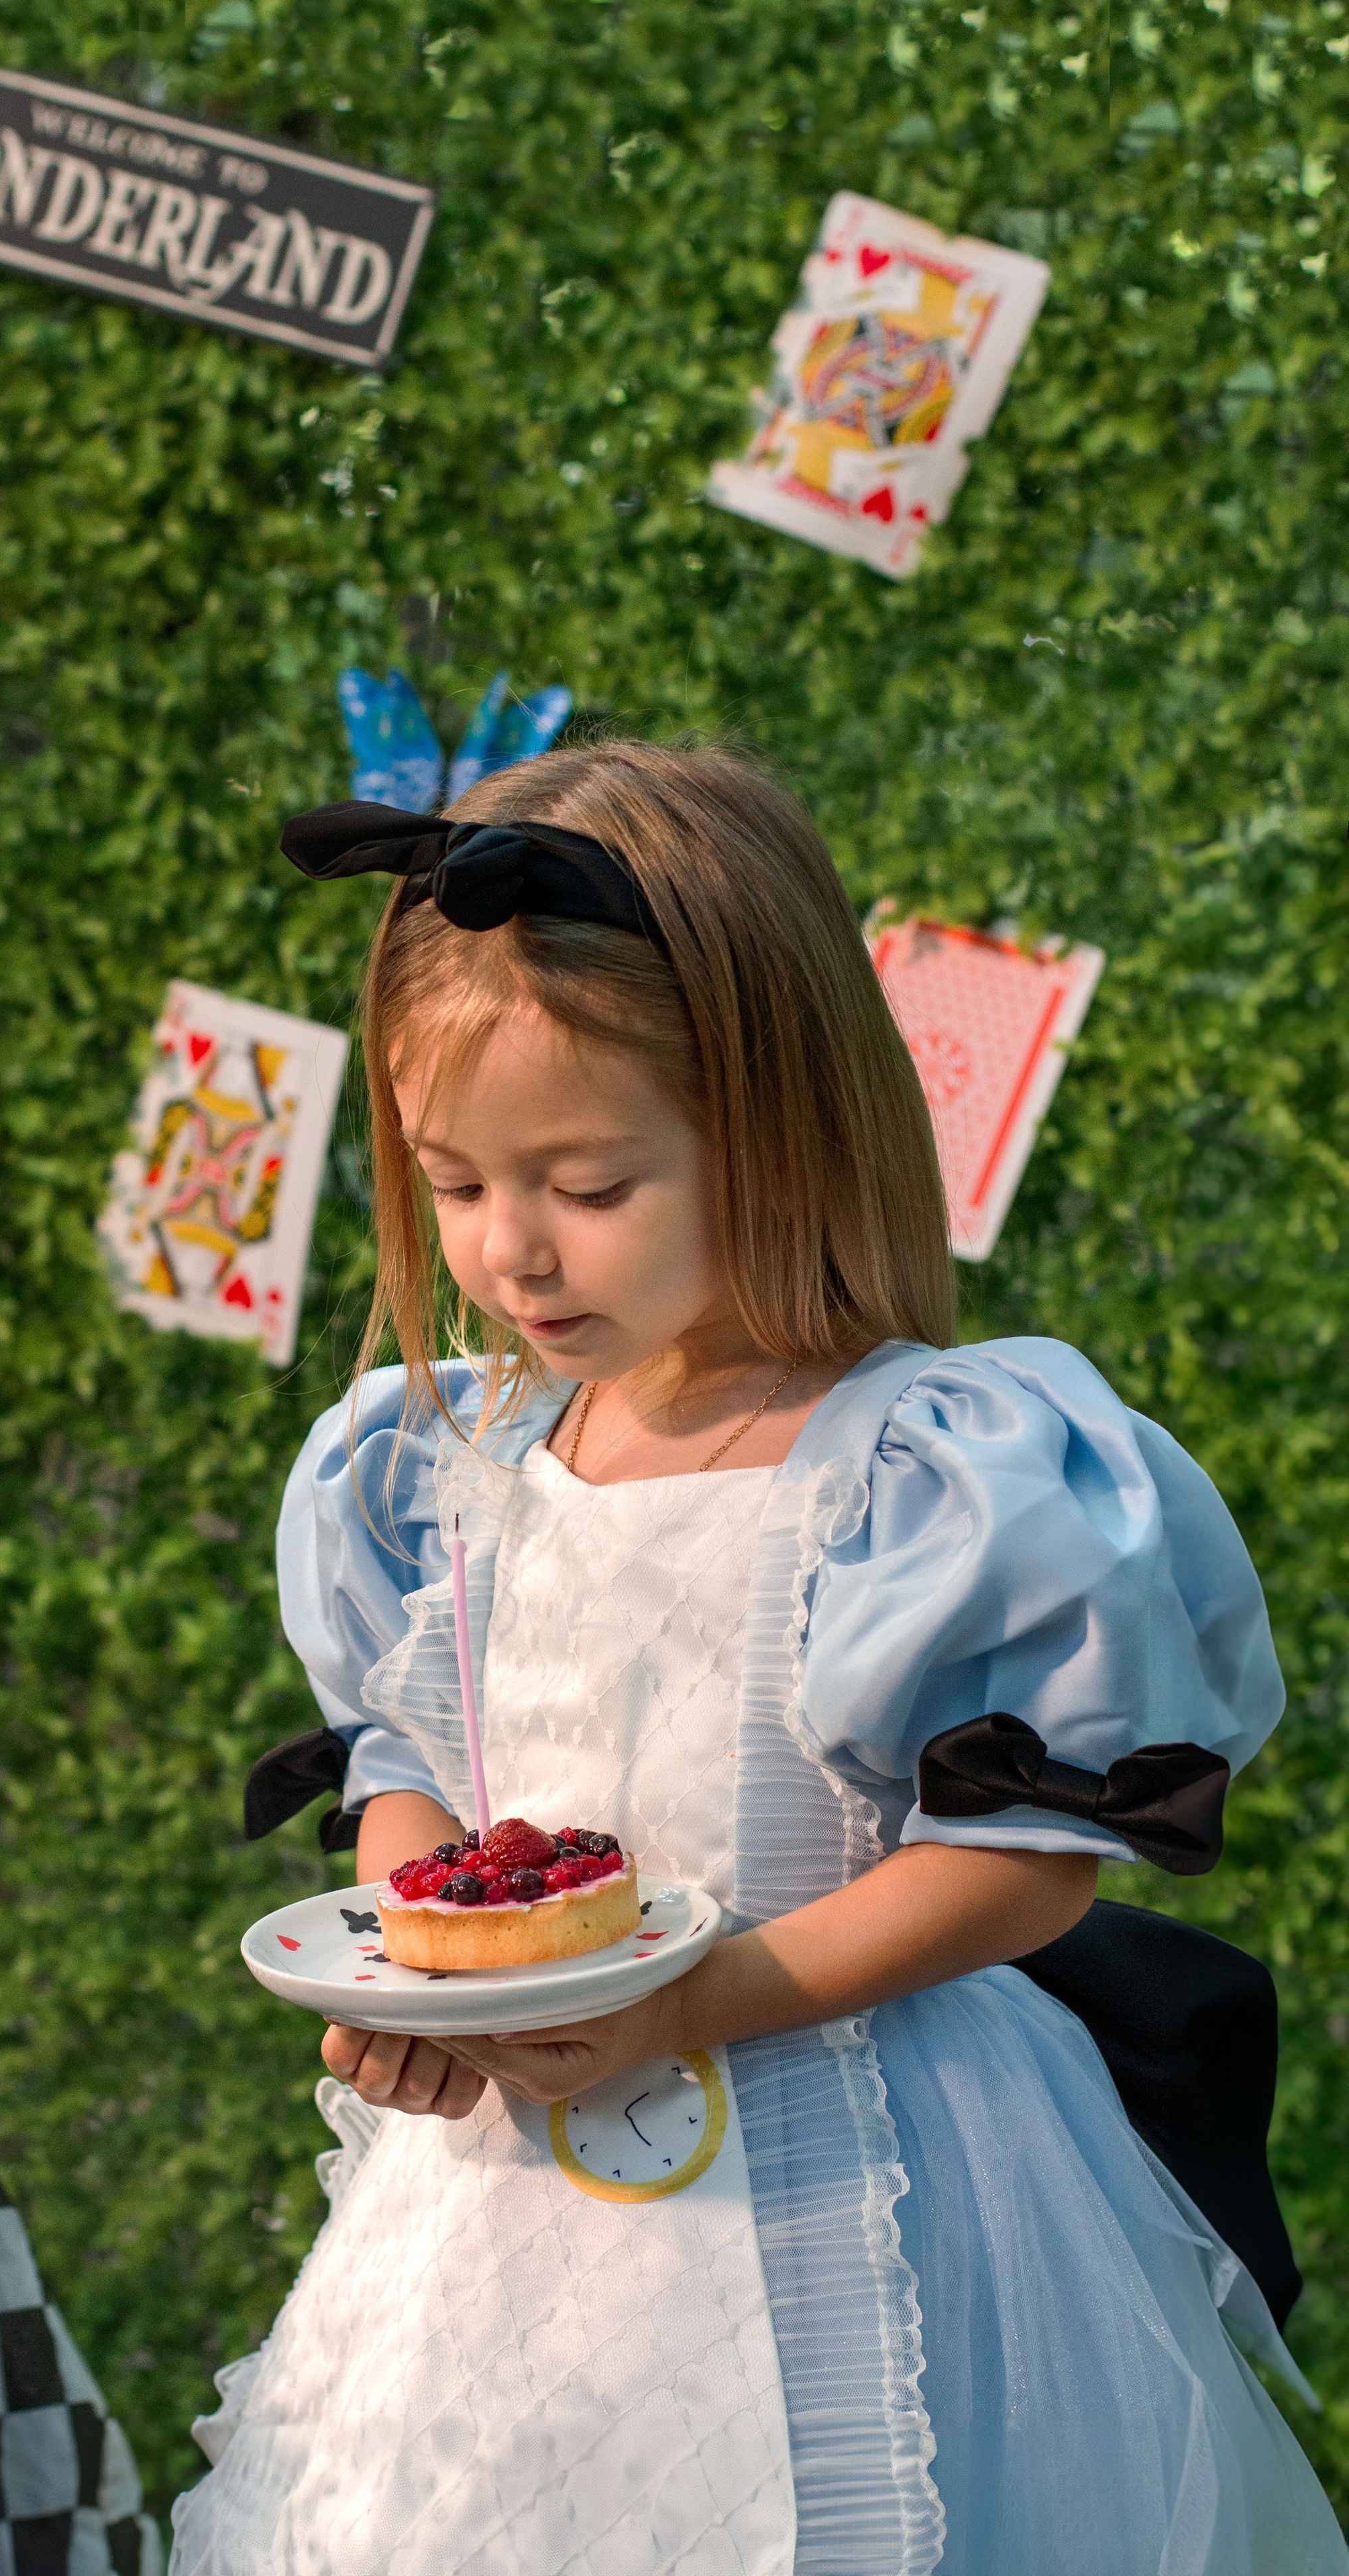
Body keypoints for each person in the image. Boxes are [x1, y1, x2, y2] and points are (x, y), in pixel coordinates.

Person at [172, 739, 1347, 2576]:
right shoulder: (443, 1460)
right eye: (455, 1182)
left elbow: (1022, 1866)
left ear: (777, 1120)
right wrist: (433, 1971)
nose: (509, 1251)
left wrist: (689, 2005)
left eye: (587, 1180)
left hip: (865, 2159)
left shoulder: (921, 1470)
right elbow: (414, 1762)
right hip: (509, 2212)